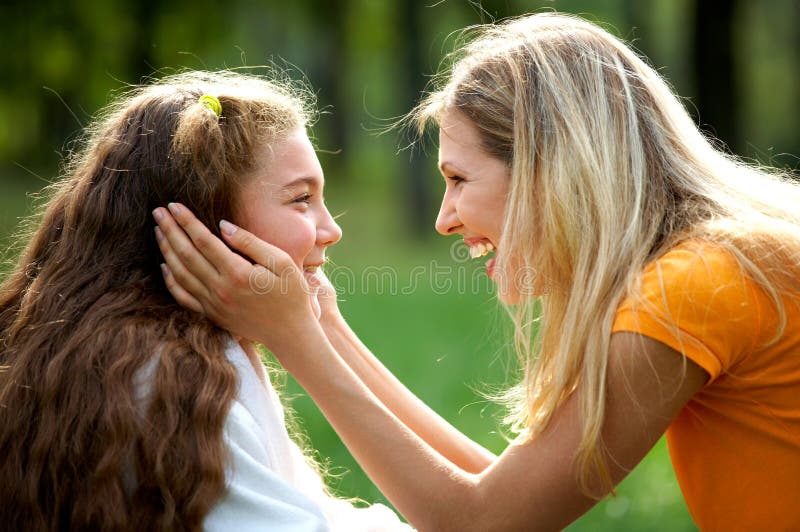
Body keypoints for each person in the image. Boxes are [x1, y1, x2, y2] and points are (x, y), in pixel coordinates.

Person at [153, 13, 800, 531]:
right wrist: (323, 324)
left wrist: (297, 342)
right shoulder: (712, 264)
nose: (445, 218)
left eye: (460, 179)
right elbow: (505, 491)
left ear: (556, 168)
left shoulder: (698, 286)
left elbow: (486, 522)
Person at [0, 70, 411, 531]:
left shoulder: (142, 352)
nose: (331, 229)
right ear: (206, 219)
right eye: (301, 199)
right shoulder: (169, 381)